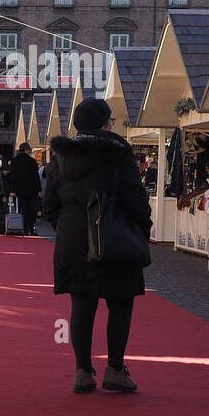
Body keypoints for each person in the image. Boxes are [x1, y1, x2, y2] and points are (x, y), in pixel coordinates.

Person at [41, 98, 151, 394]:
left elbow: (49, 206)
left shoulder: (60, 156)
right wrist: (143, 230)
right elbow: (134, 197)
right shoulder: (117, 153)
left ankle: (82, 371)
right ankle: (115, 369)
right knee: (120, 302)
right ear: (105, 123)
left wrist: (69, 226)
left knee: (82, 302)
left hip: (74, 238)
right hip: (115, 235)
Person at [8, 142, 41, 235]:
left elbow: (13, 177)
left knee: (22, 210)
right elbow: (36, 177)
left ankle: (24, 229)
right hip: (32, 190)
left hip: (19, 190)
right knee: (32, 210)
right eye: (29, 150)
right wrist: (39, 189)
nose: (30, 151)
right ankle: (32, 228)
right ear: (26, 150)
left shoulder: (14, 161)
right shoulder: (32, 161)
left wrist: (12, 190)